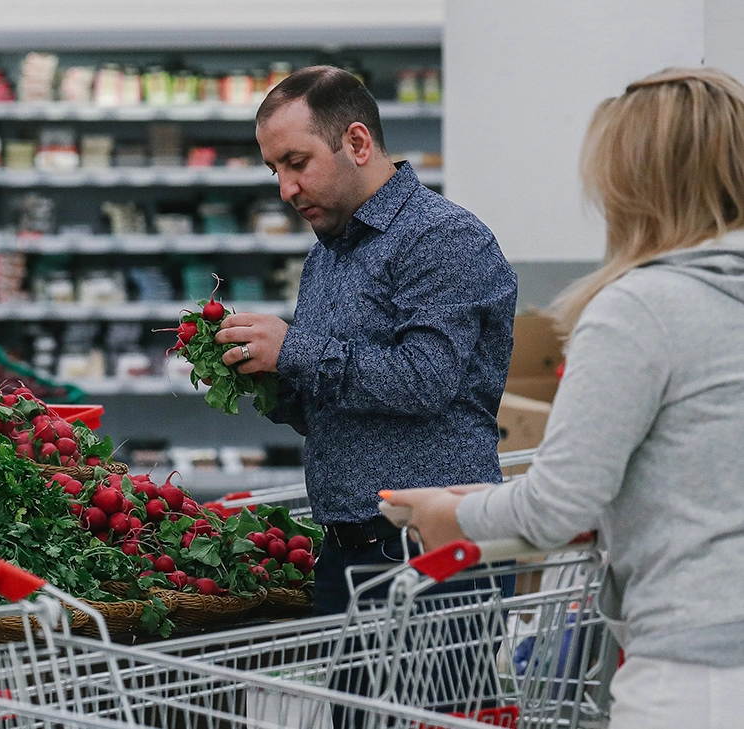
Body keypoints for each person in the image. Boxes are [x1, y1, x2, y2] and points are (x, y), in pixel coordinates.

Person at [386, 67, 744, 729]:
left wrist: (448, 514)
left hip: (695, 675)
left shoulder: (640, 309)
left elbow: (556, 508)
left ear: (633, 181)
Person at [214, 66, 517, 613]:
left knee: (435, 681)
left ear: (356, 143)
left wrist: (293, 350)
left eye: (297, 162)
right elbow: (327, 410)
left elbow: (425, 380)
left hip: (432, 551)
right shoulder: (325, 255)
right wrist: (263, 376)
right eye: (275, 170)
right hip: (347, 550)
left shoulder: (442, 237)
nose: (285, 189)